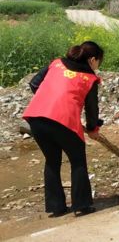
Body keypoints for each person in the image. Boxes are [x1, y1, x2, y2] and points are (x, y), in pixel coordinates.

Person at [22, 41, 104, 218]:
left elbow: (34, 84)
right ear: (92, 60)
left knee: (52, 161)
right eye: (99, 62)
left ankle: (56, 207)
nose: (98, 66)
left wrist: (49, 99)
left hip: (36, 118)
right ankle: (82, 205)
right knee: (77, 161)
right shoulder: (89, 78)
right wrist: (93, 128)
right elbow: (92, 109)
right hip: (63, 121)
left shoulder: (56, 63)